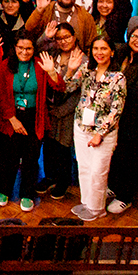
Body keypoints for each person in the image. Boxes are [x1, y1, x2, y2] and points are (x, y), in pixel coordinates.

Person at [49, 35, 125, 221]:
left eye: (104, 48)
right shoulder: (87, 69)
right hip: (81, 126)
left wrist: (100, 134)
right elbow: (67, 88)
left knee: (98, 171)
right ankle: (87, 203)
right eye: (96, 49)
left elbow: (116, 109)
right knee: (83, 168)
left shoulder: (118, 77)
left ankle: (97, 209)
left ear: (112, 52)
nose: (99, 52)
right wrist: (70, 70)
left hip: (103, 133)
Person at [0, 33, 48, 212]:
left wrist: (54, 71)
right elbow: (0, 94)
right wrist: (12, 119)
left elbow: (58, 86)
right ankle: (4, 190)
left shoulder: (41, 65)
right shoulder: (4, 65)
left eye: (28, 48)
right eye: (20, 48)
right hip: (10, 117)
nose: (24, 52)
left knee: (31, 158)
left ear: (34, 49)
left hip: (34, 117)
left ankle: (27, 193)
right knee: (9, 157)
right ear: (14, 48)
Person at [36, 22, 84, 200]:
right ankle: (49, 177)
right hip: (48, 108)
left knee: (63, 147)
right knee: (49, 145)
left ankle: (63, 181)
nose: (63, 41)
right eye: (59, 38)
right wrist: (46, 36)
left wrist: (61, 110)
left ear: (74, 37)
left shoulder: (83, 59)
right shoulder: (52, 54)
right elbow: (35, 49)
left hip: (68, 111)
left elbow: (78, 92)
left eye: (67, 37)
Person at [105, 20, 138, 214]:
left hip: (136, 118)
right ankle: (113, 187)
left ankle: (125, 197)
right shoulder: (122, 55)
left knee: (131, 157)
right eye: (135, 36)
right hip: (116, 115)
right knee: (116, 154)